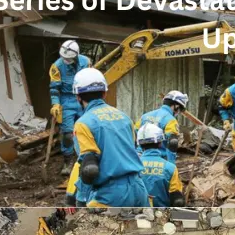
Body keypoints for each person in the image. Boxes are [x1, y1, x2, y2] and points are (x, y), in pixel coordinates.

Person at [72, 68, 149, 207]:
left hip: (111, 195)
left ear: (78, 96)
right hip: (139, 188)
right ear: (104, 93)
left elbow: (90, 169)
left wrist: (81, 198)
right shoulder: (125, 118)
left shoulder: (83, 124)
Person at [49, 40, 91, 175]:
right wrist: (55, 103)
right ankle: (68, 161)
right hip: (67, 100)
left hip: (83, 98)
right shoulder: (57, 67)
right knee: (68, 135)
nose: (66, 60)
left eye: (68, 58)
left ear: (76, 55)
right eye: (64, 57)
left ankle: (88, 159)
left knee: (87, 131)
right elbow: (54, 88)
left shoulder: (86, 62)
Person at [137, 123, 185, 207]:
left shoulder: (133, 166)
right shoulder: (170, 168)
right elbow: (177, 199)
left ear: (140, 144)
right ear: (160, 143)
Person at [135, 90, 188, 164]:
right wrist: (171, 163)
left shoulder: (145, 116)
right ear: (176, 106)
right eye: (180, 109)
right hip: (159, 160)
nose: (178, 112)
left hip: (140, 158)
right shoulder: (171, 120)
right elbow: (173, 142)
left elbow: (134, 134)